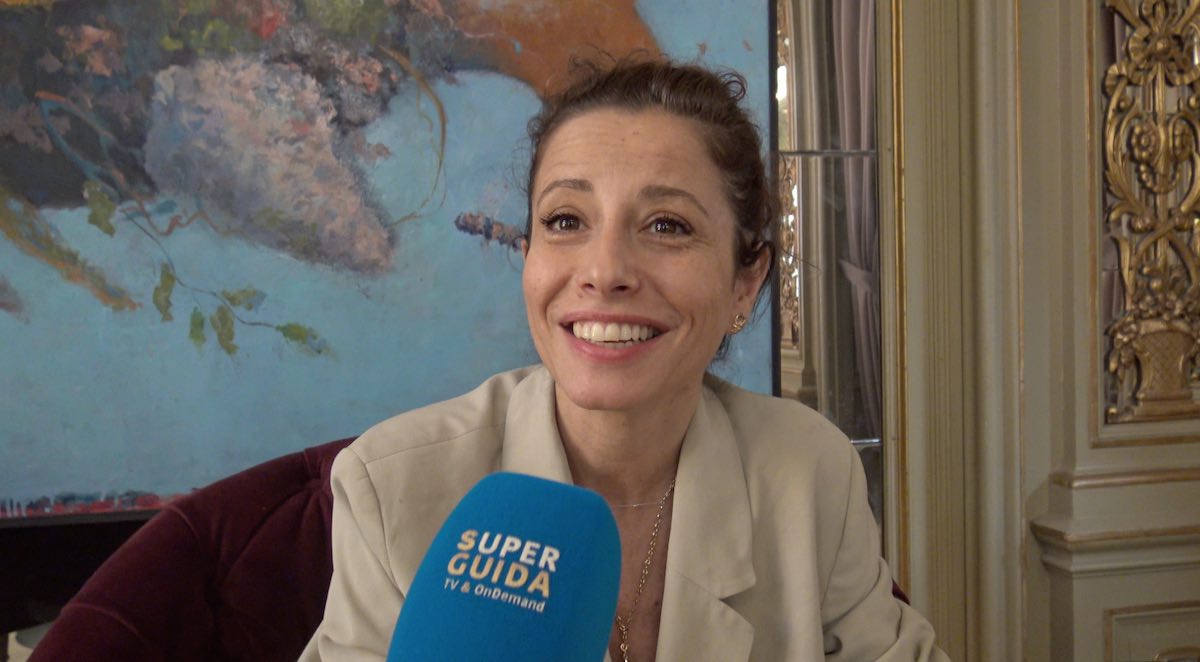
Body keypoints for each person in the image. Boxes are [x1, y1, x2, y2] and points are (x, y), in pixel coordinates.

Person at [301, 59, 947, 661]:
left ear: (745, 282)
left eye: (667, 225)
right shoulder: (391, 488)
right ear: (528, 258)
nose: (605, 270)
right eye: (565, 220)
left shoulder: (809, 473)